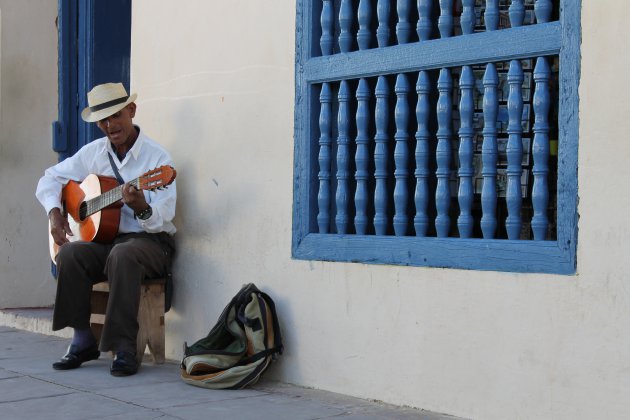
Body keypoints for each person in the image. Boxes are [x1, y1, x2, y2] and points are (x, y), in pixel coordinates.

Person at [35, 82, 176, 376]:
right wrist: (55, 214)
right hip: (108, 242)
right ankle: (82, 339)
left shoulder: (158, 161)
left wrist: (141, 207)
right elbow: (50, 179)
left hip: (150, 242)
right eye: (103, 120)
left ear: (132, 111)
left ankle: (124, 347)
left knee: (123, 254)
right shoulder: (94, 153)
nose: (110, 125)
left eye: (116, 115)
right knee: (71, 253)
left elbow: (164, 215)